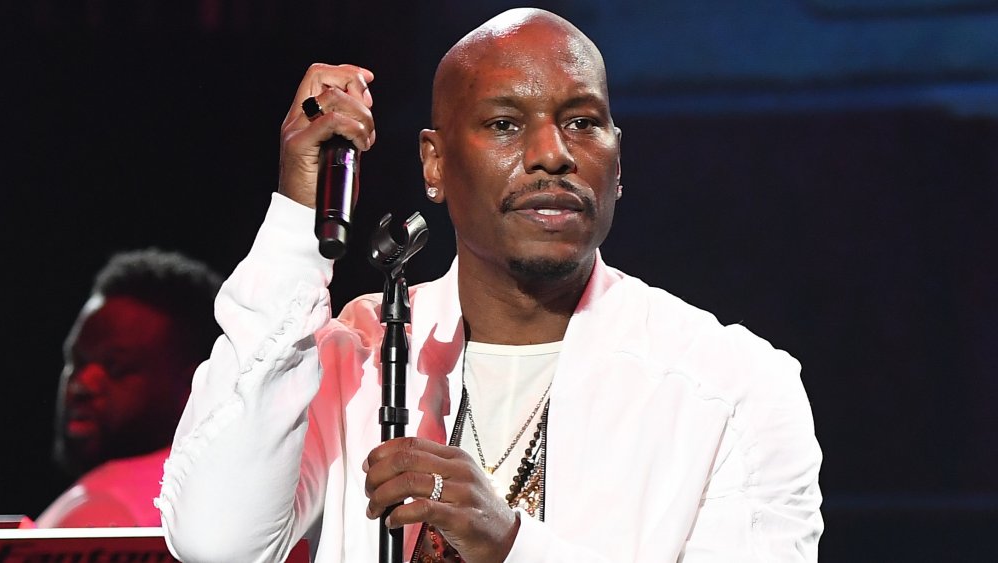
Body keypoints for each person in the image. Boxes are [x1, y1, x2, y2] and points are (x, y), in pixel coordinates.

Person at [157, 7, 823, 562]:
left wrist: (509, 543)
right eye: (505, 124)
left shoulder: (736, 387)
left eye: (583, 122)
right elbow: (215, 541)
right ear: (435, 162)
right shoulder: (357, 354)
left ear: (618, 163)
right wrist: (299, 222)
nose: (552, 152)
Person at [36, 248, 222, 528]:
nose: (82, 385)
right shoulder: (227, 497)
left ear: (192, 385)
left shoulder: (103, 509)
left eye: (115, 367)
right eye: (76, 361)